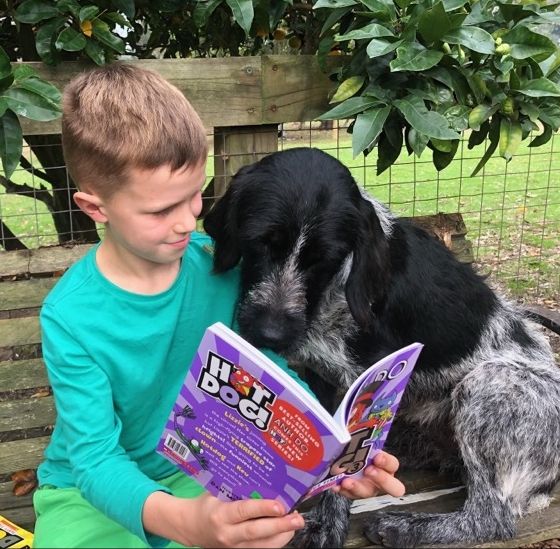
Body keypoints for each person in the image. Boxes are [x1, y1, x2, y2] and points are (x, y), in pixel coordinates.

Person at [33, 63, 406, 548]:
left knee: (265, 532)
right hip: (90, 495)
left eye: (194, 196)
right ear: (94, 208)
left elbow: (270, 376)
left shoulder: (217, 270)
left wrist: (329, 452)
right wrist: (185, 522)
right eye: (161, 210)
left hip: (206, 464)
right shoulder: (71, 317)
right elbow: (94, 461)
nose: (188, 222)